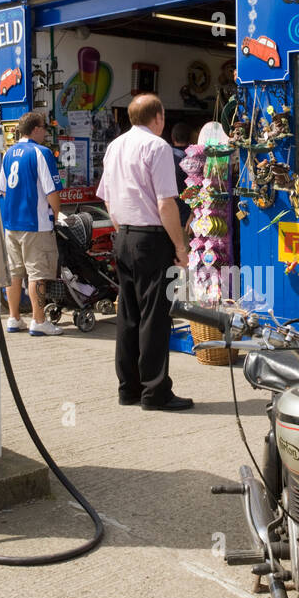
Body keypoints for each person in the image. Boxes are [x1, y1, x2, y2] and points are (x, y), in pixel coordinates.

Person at [97, 93, 193, 411]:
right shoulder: (157, 146)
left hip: (123, 235)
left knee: (128, 315)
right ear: (159, 117)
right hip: (151, 238)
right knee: (155, 317)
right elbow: (166, 203)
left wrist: (122, 229)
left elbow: (107, 198)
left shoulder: (115, 146)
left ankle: (129, 388)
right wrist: (180, 246)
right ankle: (155, 391)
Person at [0, 110, 64, 336]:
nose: (46, 131)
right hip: (35, 224)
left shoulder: (9, 154)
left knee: (14, 273)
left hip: (11, 223)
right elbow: (52, 192)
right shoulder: (41, 152)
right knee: (37, 274)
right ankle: (38, 321)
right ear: (35, 129)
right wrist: (55, 216)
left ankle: (14, 318)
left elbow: (3, 190)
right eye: (44, 127)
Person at [170, 121, 192, 227]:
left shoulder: (165, 157)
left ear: (172, 138)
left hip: (168, 217)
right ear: (190, 139)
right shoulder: (196, 159)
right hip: (189, 218)